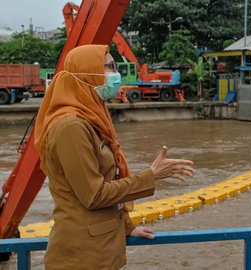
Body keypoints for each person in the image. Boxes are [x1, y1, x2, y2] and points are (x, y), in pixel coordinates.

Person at [34, 44, 195, 269]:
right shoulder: (71, 127)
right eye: (110, 67)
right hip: (82, 257)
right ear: (87, 74)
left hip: (101, 250)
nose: (116, 73)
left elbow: (110, 178)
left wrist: (127, 227)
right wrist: (151, 176)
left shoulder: (92, 118)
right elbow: (94, 195)